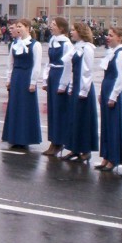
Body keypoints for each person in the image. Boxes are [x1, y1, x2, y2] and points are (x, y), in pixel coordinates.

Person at [1, 19, 43, 149]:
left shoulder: (35, 45)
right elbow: (10, 63)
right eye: (17, 27)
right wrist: (8, 79)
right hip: (16, 76)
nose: (18, 29)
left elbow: (37, 64)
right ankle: (14, 136)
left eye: (20, 27)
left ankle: (25, 137)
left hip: (26, 76)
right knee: (15, 106)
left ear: (27, 28)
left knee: (25, 107)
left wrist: (33, 82)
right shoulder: (15, 44)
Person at [62, 22, 98, 162]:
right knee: (74, 118)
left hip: (84, 87)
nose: (71, 32)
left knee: (83, 119)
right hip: (76, 84)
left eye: (73, 30)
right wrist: (71, 86)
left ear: (81, 32)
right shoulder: (76, 47)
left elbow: (88, 70)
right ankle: (74, 148)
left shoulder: (87, 48)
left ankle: (85, 149)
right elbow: (72, 68)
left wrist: (83, 90)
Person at [95, 28, 122, 171]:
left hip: (113, 91)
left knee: (114, 125)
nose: (108, 38)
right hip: (107, 88)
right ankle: (106, 156)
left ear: (120, 38)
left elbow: (121, 78)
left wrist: (113, 96)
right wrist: (102, 92)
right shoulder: (111, 53)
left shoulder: (121, 54)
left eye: (111, 35)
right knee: (106, 125)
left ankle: (113, 158)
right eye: (108, 35)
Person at [41, 18, 73, 156]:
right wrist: (45, 79)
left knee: (60, 110)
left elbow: (68, 65)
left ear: (61, 28)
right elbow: (49, 62)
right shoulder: (53, 41)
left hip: (61, 75)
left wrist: (64, 84)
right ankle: (53, 140)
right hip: (53, 74)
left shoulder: (67, 44)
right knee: (52, 110)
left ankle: (59, 141)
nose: (51, 27)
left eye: (54, 25)